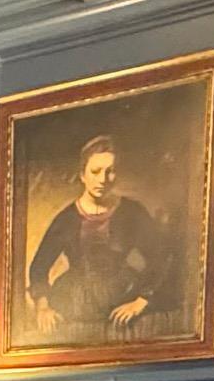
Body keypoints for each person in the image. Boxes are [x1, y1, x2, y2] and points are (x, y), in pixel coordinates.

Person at [25, 135, 186, 343]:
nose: (102, 179)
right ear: (82, 175)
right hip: (74, 302)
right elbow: (39, 267)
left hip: (122, 297)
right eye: (95, 171)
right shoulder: (66, 219)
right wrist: (43, 307)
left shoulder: (132, 212)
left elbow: (161, 257)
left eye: (110, 171)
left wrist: (141, 301)